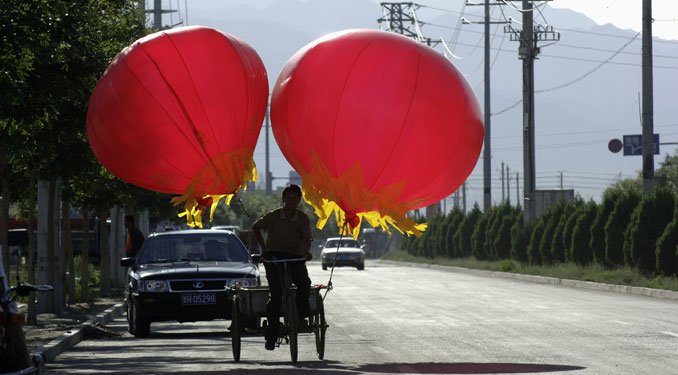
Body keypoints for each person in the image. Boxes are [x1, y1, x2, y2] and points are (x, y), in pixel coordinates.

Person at [252, 184, 313, 351]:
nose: (292, 201)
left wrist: (306, 253)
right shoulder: (273, 216)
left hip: (294, 257)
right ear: (283, 199)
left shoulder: (302, 218)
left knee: (304, 283)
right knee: (276, 296)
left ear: (299, 200)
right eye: (289, 197)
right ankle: (271, 334)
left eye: (296, 198)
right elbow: (255, 228)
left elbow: (307, 239)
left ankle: (300, 317)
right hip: (274, 258)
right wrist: (264, 249)